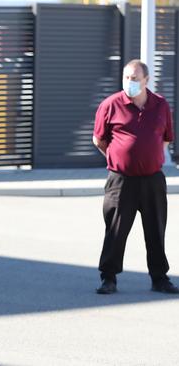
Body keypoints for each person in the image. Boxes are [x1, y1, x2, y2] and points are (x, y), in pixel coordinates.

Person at [93, 59, 178, 295]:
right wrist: (119, 156)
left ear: (146, 80)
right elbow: (99, 139)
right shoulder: (110, 105)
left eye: (134, 79)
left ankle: (159, 278)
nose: (129, 83)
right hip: (121, 180)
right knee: (116, 230)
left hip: (152, 179)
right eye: (126, 78)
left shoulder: (160, 105)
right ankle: (108, 278)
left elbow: (167, 138)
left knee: (156, 229)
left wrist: (146, 154)